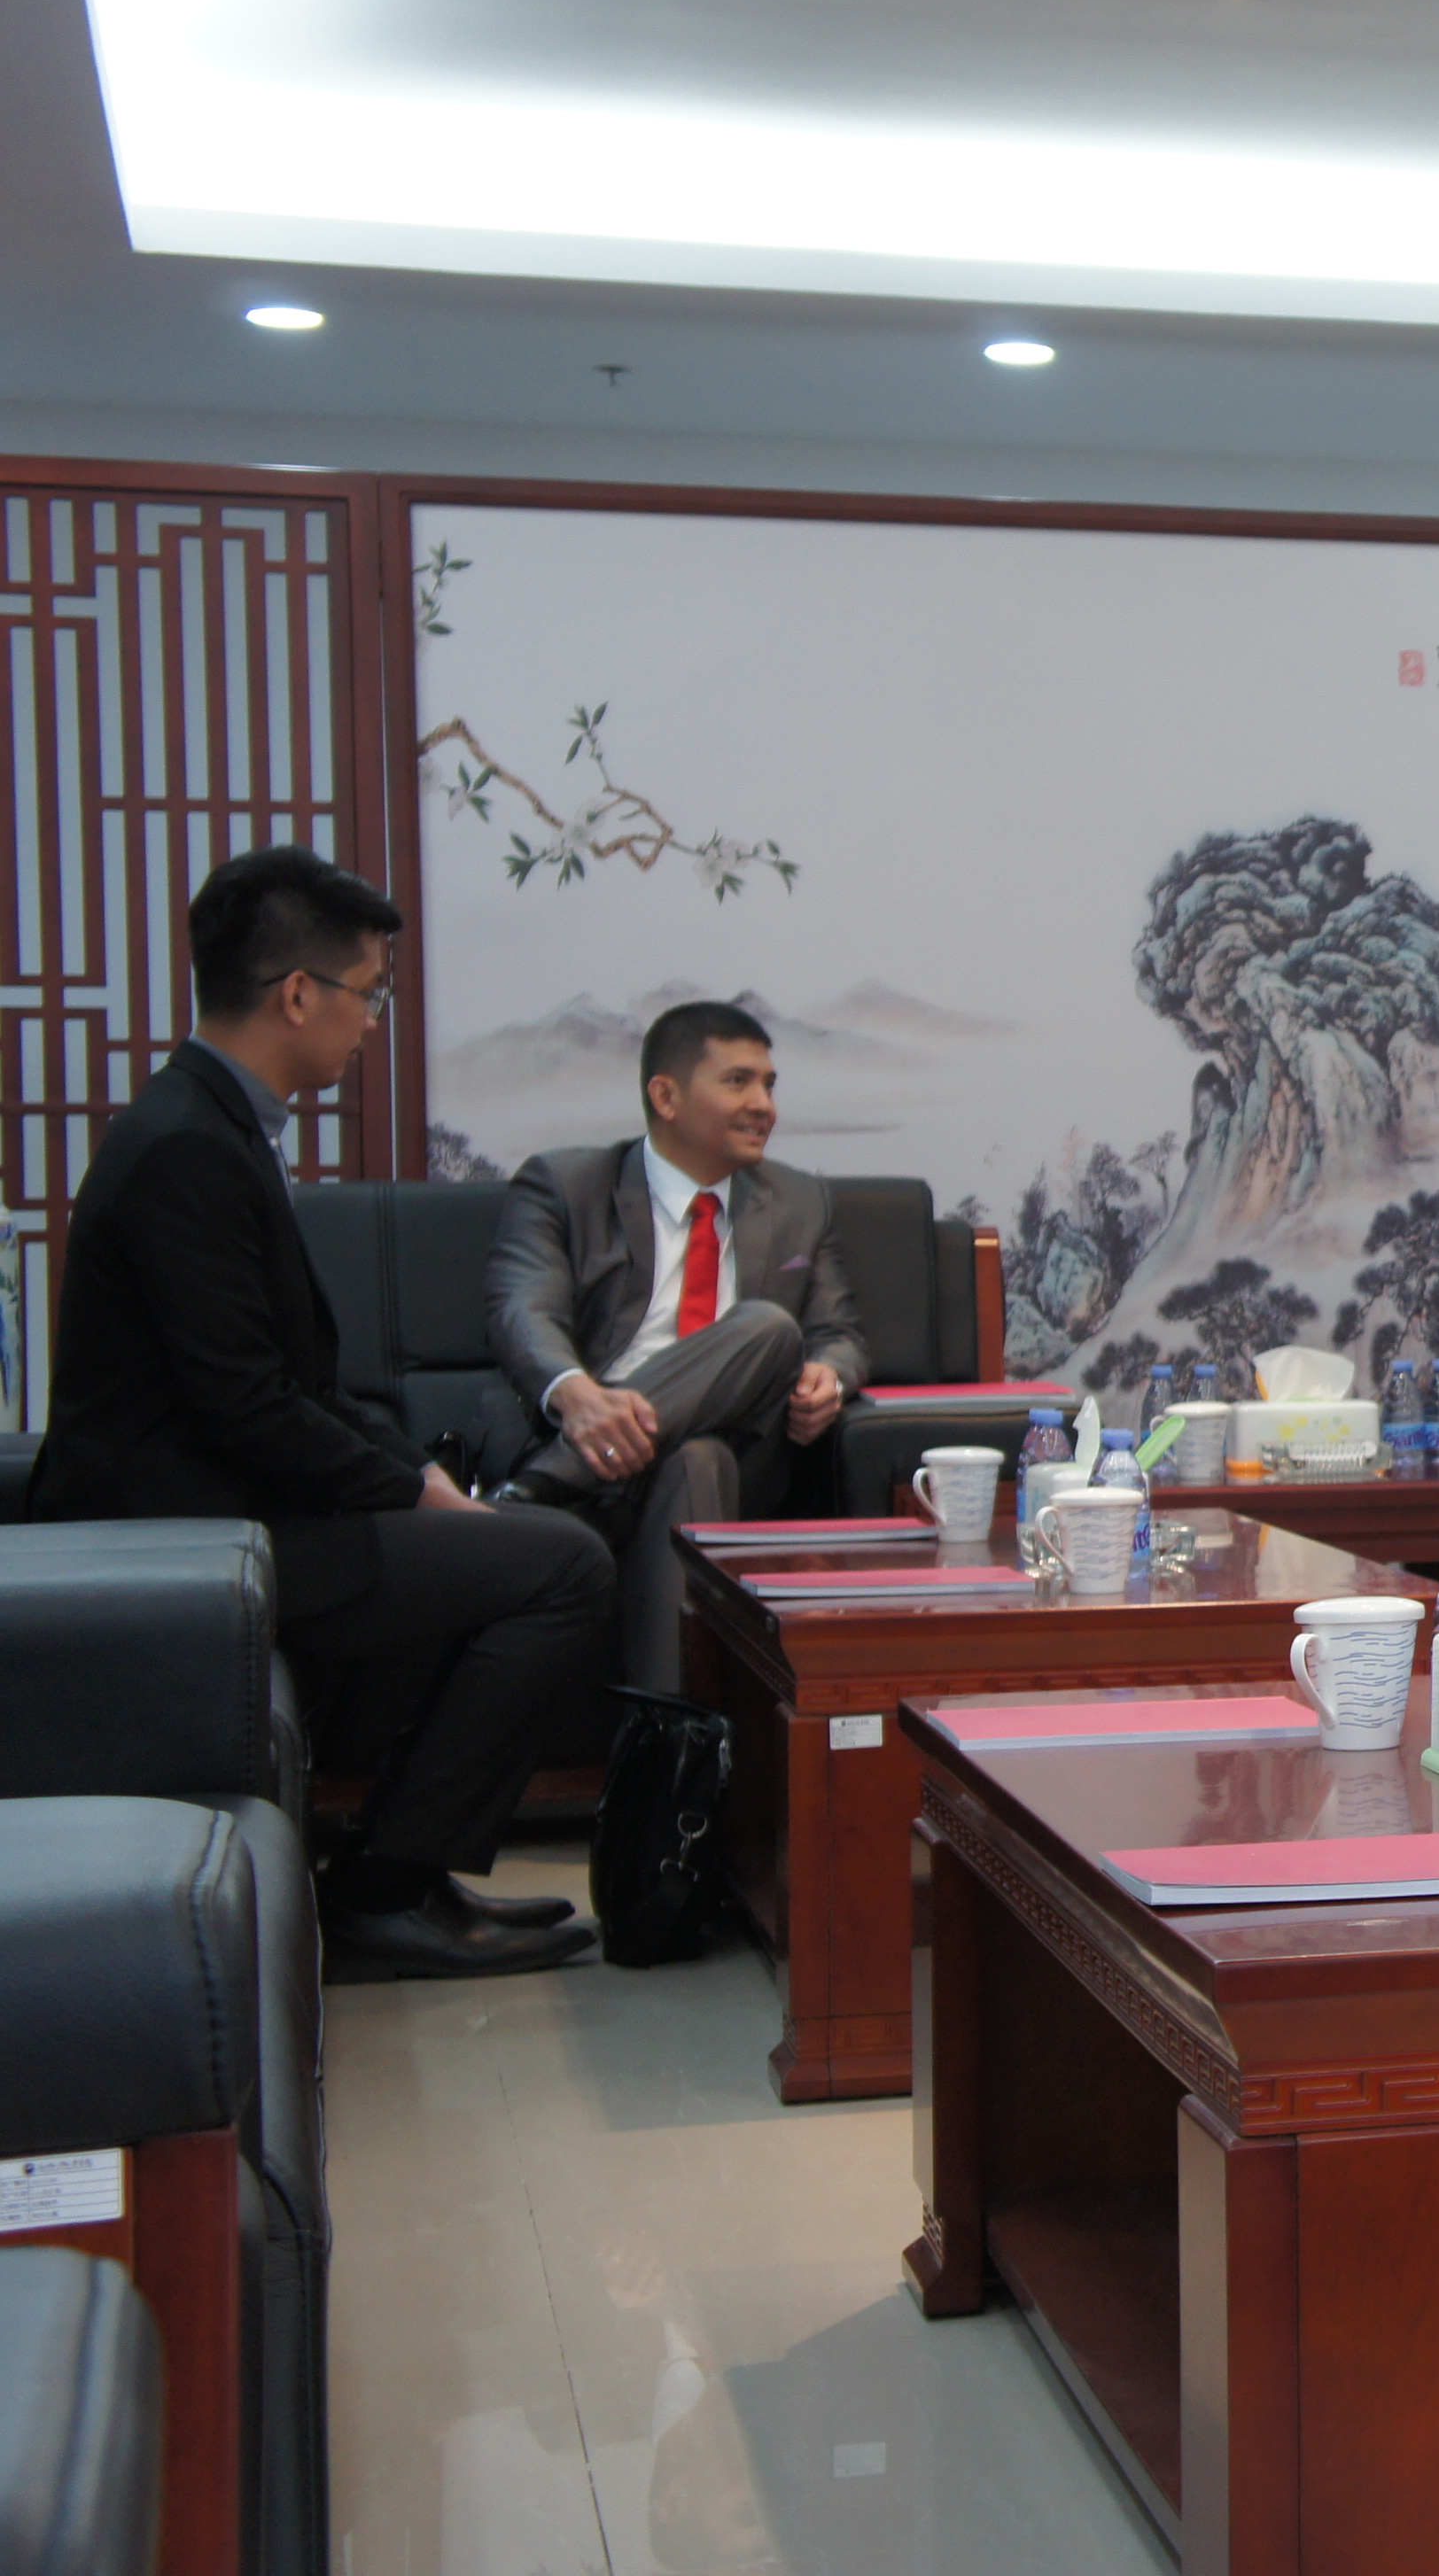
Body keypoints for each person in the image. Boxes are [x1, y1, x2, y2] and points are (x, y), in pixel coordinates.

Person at [32, 848, 612, 1980]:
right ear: (298, 993)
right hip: (188, 1541)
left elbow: (298, 1383)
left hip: (235, 1511)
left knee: (505, 1547)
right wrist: (405, 1488)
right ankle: (384, 1891)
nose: (371, 1025)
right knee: (565, 1567)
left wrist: (416, 1474)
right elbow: (244, 1404)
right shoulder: (186, 1147)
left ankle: (402, 1872)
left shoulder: (210, 1121)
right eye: (368, 994)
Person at [486, 1001, 867, 1698]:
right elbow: (522, 1310)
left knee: (768, 1329)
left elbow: (837, 1333)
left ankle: (551, 1484)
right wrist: (578, 1397)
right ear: (665, 1096)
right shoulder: (567, 1186)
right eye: (738, 1082)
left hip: (744, 1452)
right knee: (694, 1460)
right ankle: (669, 1748)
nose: (764, 1105)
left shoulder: (800, 1201)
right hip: (613, 1430)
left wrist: (830, 1376)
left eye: (769, 1085)